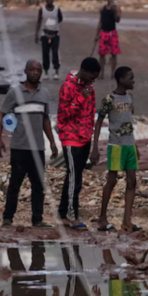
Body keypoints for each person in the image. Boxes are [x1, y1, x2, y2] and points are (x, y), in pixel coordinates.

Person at [0, 59, 58, 227]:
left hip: (38, 148)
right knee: (15, 184)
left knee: (38, 185)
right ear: (26, 71)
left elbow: (45, 119)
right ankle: (7, 218)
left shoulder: (44, 94)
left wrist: (52, 142)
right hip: (19, 147)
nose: (35, 72)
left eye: (38, 70)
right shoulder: (14, 93)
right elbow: (1, 115)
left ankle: (37, 219)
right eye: (32, 69)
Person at [91, 66, 139, 232]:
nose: (133, 81)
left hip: (129, 145)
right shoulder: (109, 99)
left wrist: (135, 145)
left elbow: (129, 123)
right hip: (116, 146)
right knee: (112, 181)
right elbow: (98, 123)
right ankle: (102, 218)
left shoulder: (130, 98)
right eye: (130, 78)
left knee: (132, 181)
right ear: (121, 80)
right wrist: (95, 147)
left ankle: (127, 221)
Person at [57, 58, 101, 230]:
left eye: (95, 78)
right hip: (70, 138)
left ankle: (63, 214)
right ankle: (72, 216)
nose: (93, 81)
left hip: (84, 138)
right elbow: (64, 115)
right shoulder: (67, 87)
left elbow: (91, 113)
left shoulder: (90, 87)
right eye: (92, 76)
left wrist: (90, 137)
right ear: (83, 71)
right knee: (73, 177)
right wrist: (80, 98)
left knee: (75, 177)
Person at [35, 0, 63, 80]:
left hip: (55, 35)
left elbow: (60, 19)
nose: (50, 1)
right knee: (45, 53)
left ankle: (56, 71)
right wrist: (36, 34)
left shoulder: (57, 9)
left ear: (53, 0)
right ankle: (46, 71)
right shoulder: (42, 10)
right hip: (45, 35)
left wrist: (53, 24)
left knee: (55, 53)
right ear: (45, 0)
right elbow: (39, 21)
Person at [94, 0, 121, 80]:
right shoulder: (103, 9)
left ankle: (112, 73)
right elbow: (100, 22)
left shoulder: (116, 8)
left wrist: (116, 11)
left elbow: (118, 20)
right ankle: (102, 73)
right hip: (104, 33)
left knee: (114, 54)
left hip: (112, 33)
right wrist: (97, 34)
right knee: (102, 54)